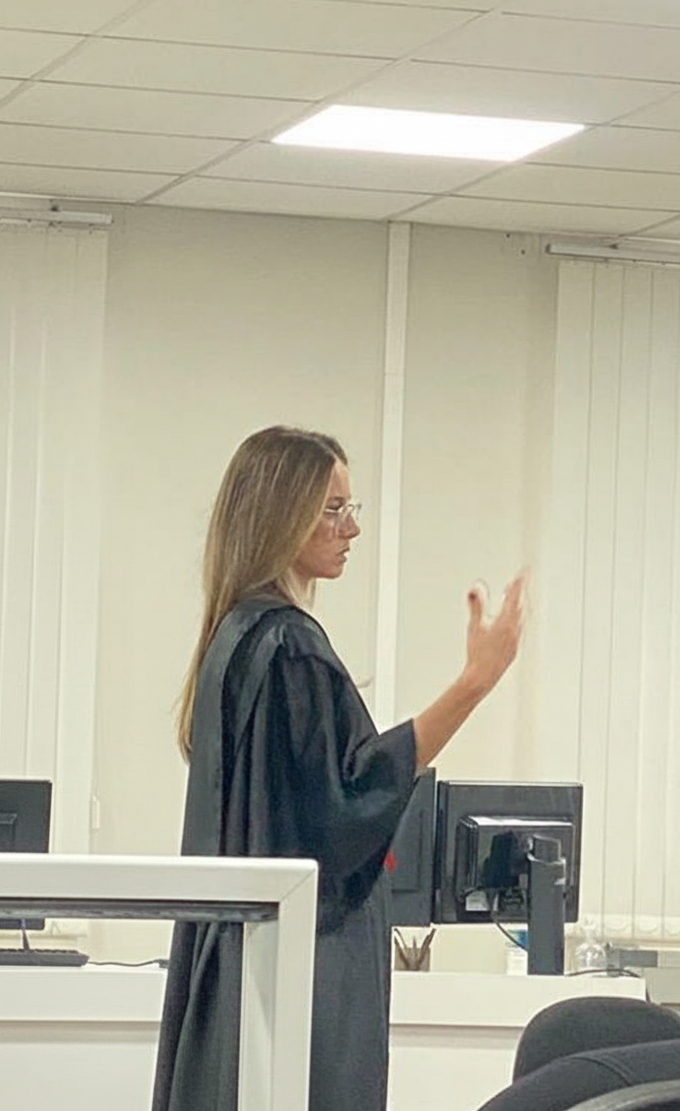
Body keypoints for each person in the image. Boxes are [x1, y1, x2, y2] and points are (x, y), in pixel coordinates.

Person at [151, 424, 525, 1111]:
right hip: (298, 977)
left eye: (351, 508)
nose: (351, 528)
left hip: (236, 968)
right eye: (332, 509)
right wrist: (474, 683)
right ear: (280, 514)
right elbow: (348, 804)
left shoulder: (236, 636)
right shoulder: (288, 645)